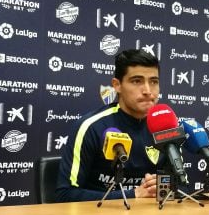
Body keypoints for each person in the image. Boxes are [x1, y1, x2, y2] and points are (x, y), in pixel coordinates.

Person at [55, 49, 161, 202]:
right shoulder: (90, 127)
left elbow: (184, 188)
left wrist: (164, 186)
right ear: (117, 85)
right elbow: (65, 195)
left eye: (154, 82)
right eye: (137, 81)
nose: (148, 91)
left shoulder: (167, 128)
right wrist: (134, 194)